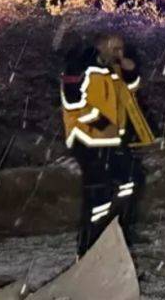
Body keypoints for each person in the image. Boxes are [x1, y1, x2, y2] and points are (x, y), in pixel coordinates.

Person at [61, 33, 156, 256]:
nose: (119, 52)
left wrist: (129, 68)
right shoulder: (79, 65)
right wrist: (102, 123)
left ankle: (120, 233)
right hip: (87, 139)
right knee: (97, 193)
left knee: (133, 178)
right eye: (116, 48)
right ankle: (88, 247)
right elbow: (72, 103)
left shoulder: (112, 67)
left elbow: (130, 89)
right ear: (102, 44)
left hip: (110, 139)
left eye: (122, 48)